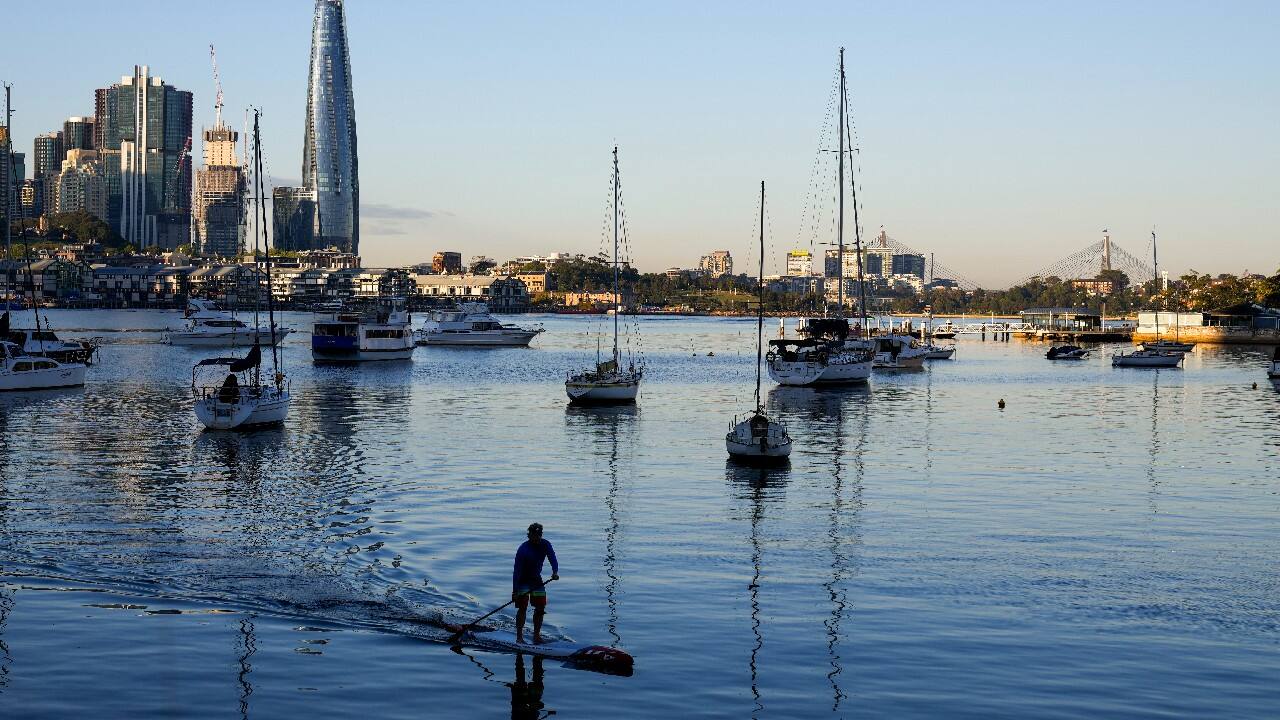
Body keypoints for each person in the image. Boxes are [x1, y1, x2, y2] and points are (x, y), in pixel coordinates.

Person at [513, 522, 559, 645]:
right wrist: (515, 591)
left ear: (541, 534)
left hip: (536, 579)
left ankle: (536, 636)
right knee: (522, 607)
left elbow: (553, 558)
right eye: (534, 535)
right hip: (522, 580)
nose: (537, 538)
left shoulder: (545, 544)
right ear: (529, 535)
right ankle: (519, 637)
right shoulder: (523, 549)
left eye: (539, 535)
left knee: (540, 607)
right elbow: (516, 571)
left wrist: (555, 572)